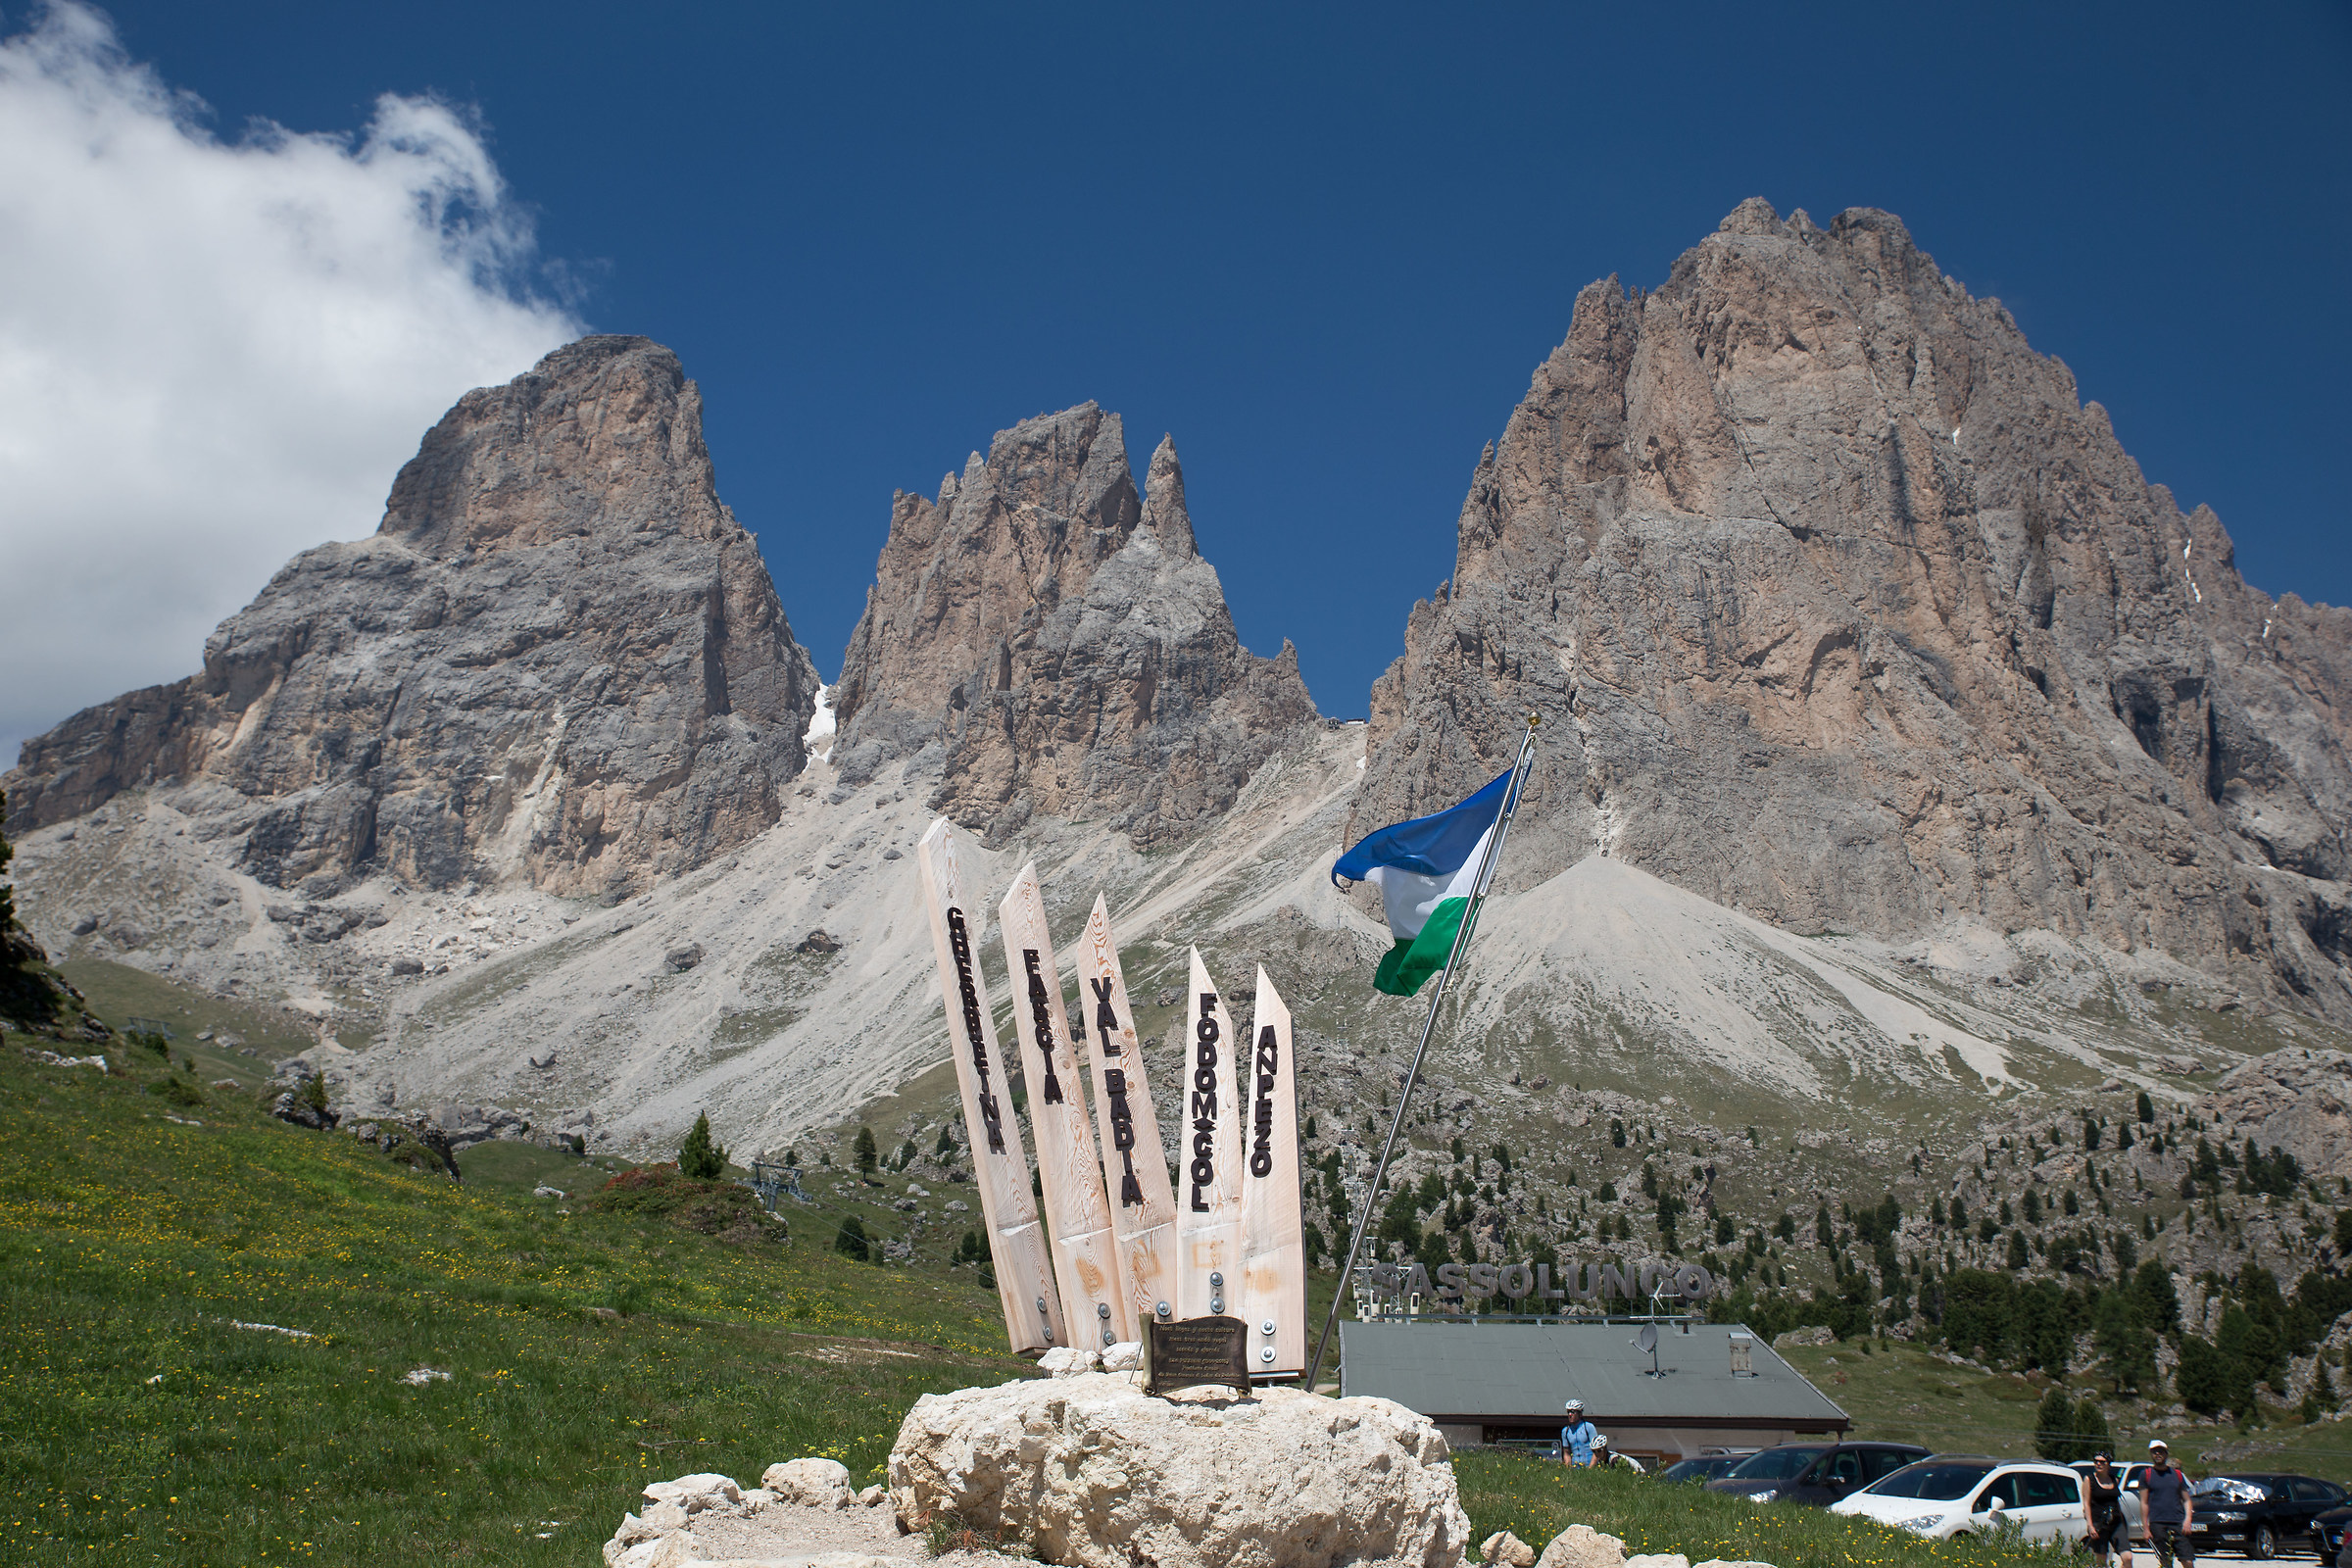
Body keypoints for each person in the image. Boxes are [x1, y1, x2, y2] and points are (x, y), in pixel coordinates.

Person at [2131, 1440, 2194, 1568]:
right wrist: (2146, 1528)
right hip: (2158, 1523)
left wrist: (2188, 1520)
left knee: (2187, 1560)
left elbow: (2187, 1500)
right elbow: (2144, 1503)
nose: (2158, 1454)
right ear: (2151, 1454)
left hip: (2178, 1522)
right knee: (2165, 1561)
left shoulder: (2177, 1475)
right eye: (2155, 1452)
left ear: (2166, 1454)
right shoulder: (2146, 1475)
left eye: (2161, 1451)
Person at [2085, 1452, 2132, 1568]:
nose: (2099, 1464)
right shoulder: (2089, 1480)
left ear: (2108, 1464)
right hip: (2099, 1524)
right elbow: (2086, 1504)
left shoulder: (2114, 1479)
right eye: (2096, 1461)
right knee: (2101, 1561)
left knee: (2128, 1557)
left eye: (2102, 1462)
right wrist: (2090, 1525)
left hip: (2116, 1522)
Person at [1560, 1399, 1598, 1467]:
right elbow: (1566, 1453)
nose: (1570, 1414)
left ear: (1579, 1414)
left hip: (1589, 1465)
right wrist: (1568, 1469)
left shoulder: (1588, 1427)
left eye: (1572, 1412)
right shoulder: (1565, 1431)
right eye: (1568, 1412)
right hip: (1575, 1467)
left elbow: (1596, 1451)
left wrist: (1591, 1469)